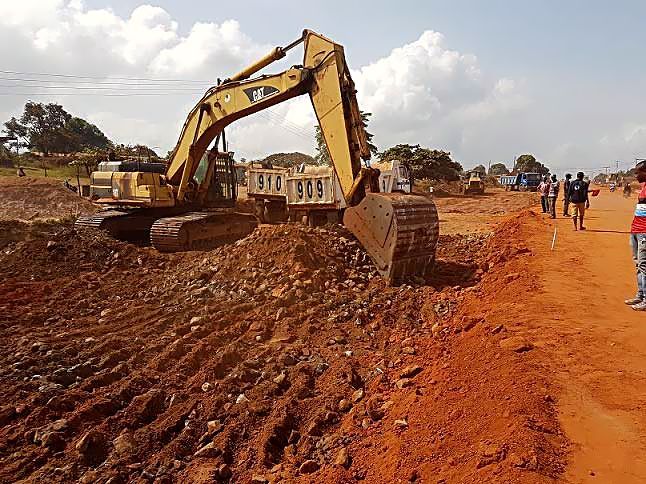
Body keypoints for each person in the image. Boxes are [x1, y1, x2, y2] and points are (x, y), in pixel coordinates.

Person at [625, 160, 646, 310]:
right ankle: (640, 295)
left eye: (638, 172)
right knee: (638, 264)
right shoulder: (644, 186)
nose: (636, 175)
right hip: (636, 229)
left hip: (644, 231)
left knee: (644, 266)